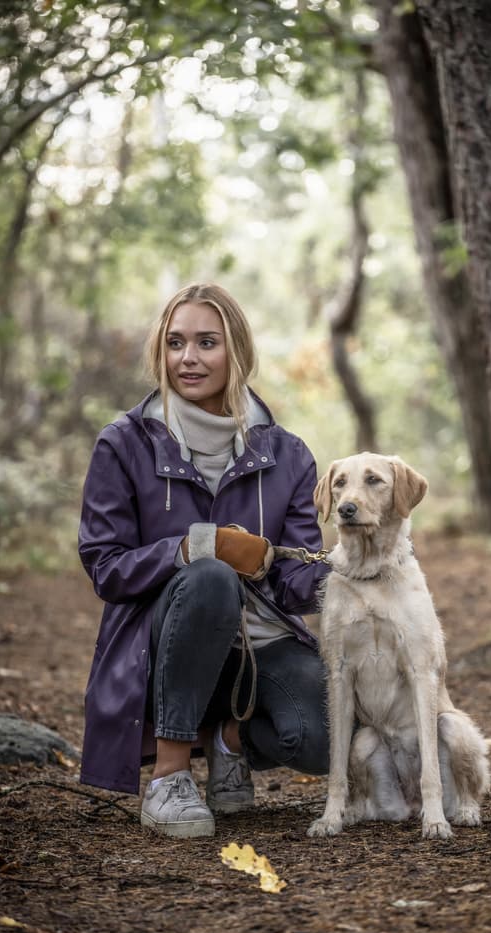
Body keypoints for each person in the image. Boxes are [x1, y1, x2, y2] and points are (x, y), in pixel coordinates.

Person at [78, 282, 330, 838]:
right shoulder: (124, 444)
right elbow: (105, 565)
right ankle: (169, 778)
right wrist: (187, 549)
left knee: (327, 736)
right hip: (160, 639)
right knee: (210, 576)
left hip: (257, 642)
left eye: (207, 343)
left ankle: (229, 740)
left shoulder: (286, 454)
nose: (188, 358)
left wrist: (347, 572)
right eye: (175, 343)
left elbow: (294, 582)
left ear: (236, 351)